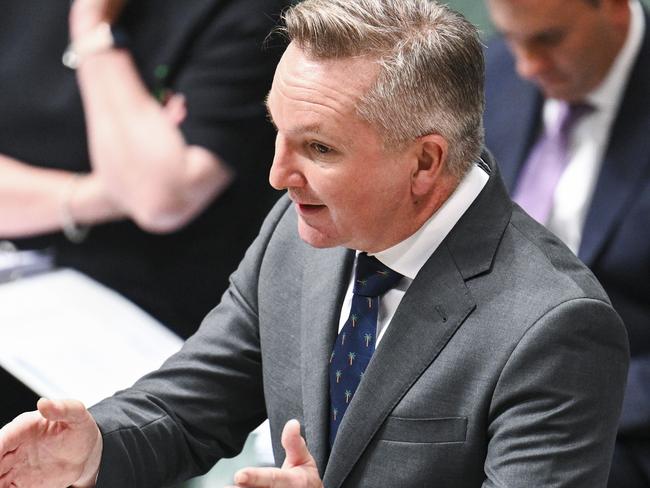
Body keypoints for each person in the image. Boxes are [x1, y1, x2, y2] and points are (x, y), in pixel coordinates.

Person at [0, 1, 630, 487]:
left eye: (319, 148)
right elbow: (190, 404)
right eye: (279, 132)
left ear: (426, 163)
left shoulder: (556, 326)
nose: (278, 175)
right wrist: (95, 443)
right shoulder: (297, 231)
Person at [0, 0, 287, 424]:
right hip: (17, 288)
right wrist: (112, 192)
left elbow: (159, 202)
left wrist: (93, 31)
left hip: (132, 320)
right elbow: (155, 192)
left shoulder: (250, 18)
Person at [482, 0, 650, 485]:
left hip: (623, 424)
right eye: (511, 37)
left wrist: (559, 403)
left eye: (548, 40)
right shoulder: (497, 74)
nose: (526, 65)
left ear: (614, 9)